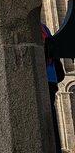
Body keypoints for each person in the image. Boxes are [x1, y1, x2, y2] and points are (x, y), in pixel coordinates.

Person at [42, 24, 64, 153]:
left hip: (44, 77)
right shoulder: (44, 28)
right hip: (51, 78)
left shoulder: (38, 28)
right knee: (50, 116)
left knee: (47, 118)